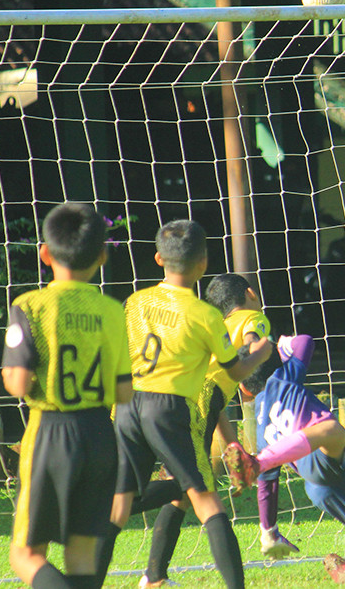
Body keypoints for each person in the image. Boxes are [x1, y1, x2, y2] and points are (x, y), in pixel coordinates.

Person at [94, 220, 271, 589]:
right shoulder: (205, 315)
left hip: (125, 406)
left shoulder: (134, 302)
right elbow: (235, 368)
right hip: (171, 408)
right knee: (207, 501)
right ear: (203, 264)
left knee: (118, 505)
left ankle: (121, 578)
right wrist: (261, 353)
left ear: (158, 258)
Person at [2, 203, 134, 589]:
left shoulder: (30, 305)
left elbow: (19, 384)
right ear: (102, 256)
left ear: (44, 253)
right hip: (99, 434)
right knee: (80, 554)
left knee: (25, 554)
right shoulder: (112, 311)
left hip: (51, 434)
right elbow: (124, 391)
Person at [139, 273, 278, 587]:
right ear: (251, 293)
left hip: (181, 400)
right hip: (196, 403)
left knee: (183, 493)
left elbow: (214, 400)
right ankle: (107, 505)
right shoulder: (254, 317)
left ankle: (154, 576)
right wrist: (258, 361)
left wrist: (234, 448)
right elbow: (253, 343)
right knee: (194, 487)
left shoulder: (213, 328)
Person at [235, 334, 345, 584]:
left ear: (244, 389)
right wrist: (279, 344)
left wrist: (269, 531)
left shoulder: (261, 422)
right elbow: (305, 341)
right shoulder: (282, 376)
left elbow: (267, 486)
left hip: (321, 488)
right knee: (331, 429)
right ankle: (259, 461)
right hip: (320, 462)